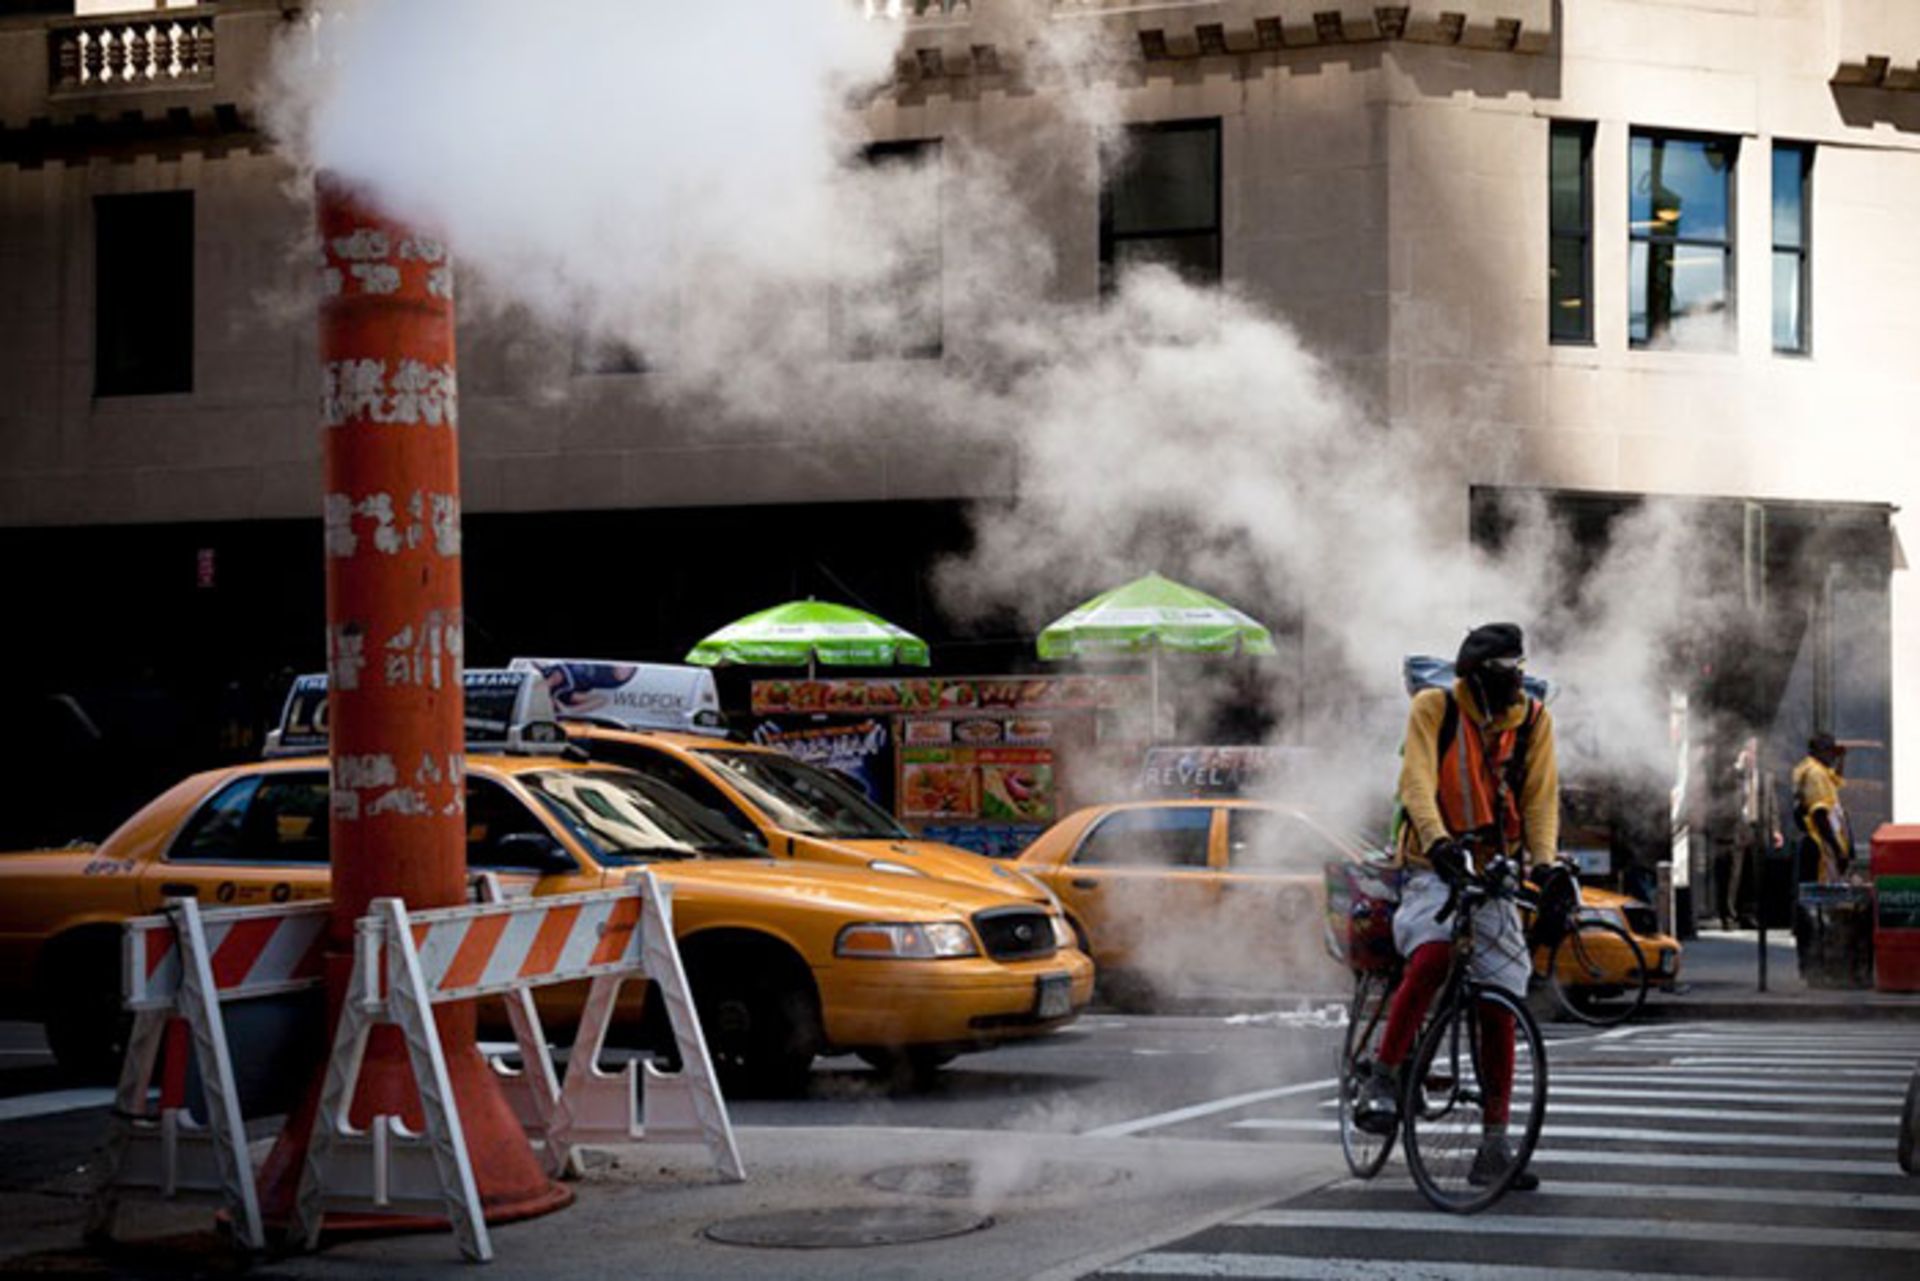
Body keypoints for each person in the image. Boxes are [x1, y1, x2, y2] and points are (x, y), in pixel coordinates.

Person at [1356, 622, 1571, 1193]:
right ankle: (1384, 1075)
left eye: (1519, 672)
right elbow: (1417, 783)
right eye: (1504, 675)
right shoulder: (1435, 708)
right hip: (1434, 866)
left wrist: (1545, 866)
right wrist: (1438, 842)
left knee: (1500, 1003)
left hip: (1496, 873)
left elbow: (1540, 800)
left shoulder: (1533, 720)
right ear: (1474, 677)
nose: (1516, 685)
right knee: (1430, 957)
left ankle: (1495, 1145)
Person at [1791, 733, 1853, 884]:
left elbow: (1836, 779)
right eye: (1830, 751)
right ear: (1820, 751)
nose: (1832, 756)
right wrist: (1837, 850)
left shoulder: (1819, 768)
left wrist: (1840, 759)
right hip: (1820, 844)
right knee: (1821, 889)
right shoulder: (1815, 773)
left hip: (1824, 842)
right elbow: (1820, 815)